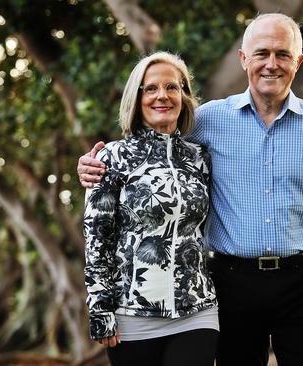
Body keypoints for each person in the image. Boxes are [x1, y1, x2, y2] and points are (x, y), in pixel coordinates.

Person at [79, 13, 303, 366]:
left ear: (299, 61)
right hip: (232, 283)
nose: (271, 64)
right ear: (243, 59)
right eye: (261, 53)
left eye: (282, 54)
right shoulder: (207, 120)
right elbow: (155, 146)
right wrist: (97, 164)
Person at [83, 51, 218, 366]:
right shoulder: (111, 158)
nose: (163, 96)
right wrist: (100, 309)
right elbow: (97, 237)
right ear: (137, 97)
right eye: (151, 88)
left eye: (172, 87)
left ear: (183, 96)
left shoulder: (201, 158)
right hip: (132, 314)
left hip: (198, 311)